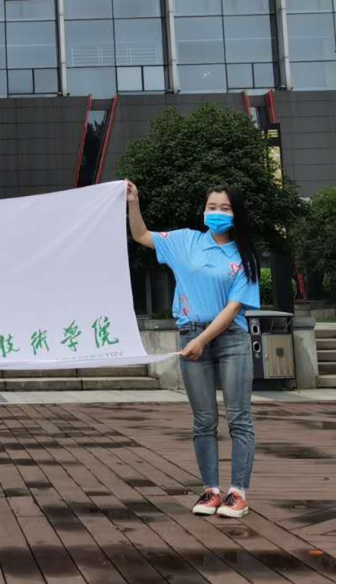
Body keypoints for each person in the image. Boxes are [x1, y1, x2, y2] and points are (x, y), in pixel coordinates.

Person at [127, 180, 260, 518]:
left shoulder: (244, 257)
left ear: (236, 214)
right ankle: (211, 491)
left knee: (239, 418)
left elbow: (233, 308)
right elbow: (141, 235)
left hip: (230, 339)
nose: (217, 213)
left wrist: (202, 341)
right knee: (203, 420)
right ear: (203, 210)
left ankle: (237, 493)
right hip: (191, 333)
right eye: (212, 207)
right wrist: (133, 202)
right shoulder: (185, 241)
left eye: (225, 208)